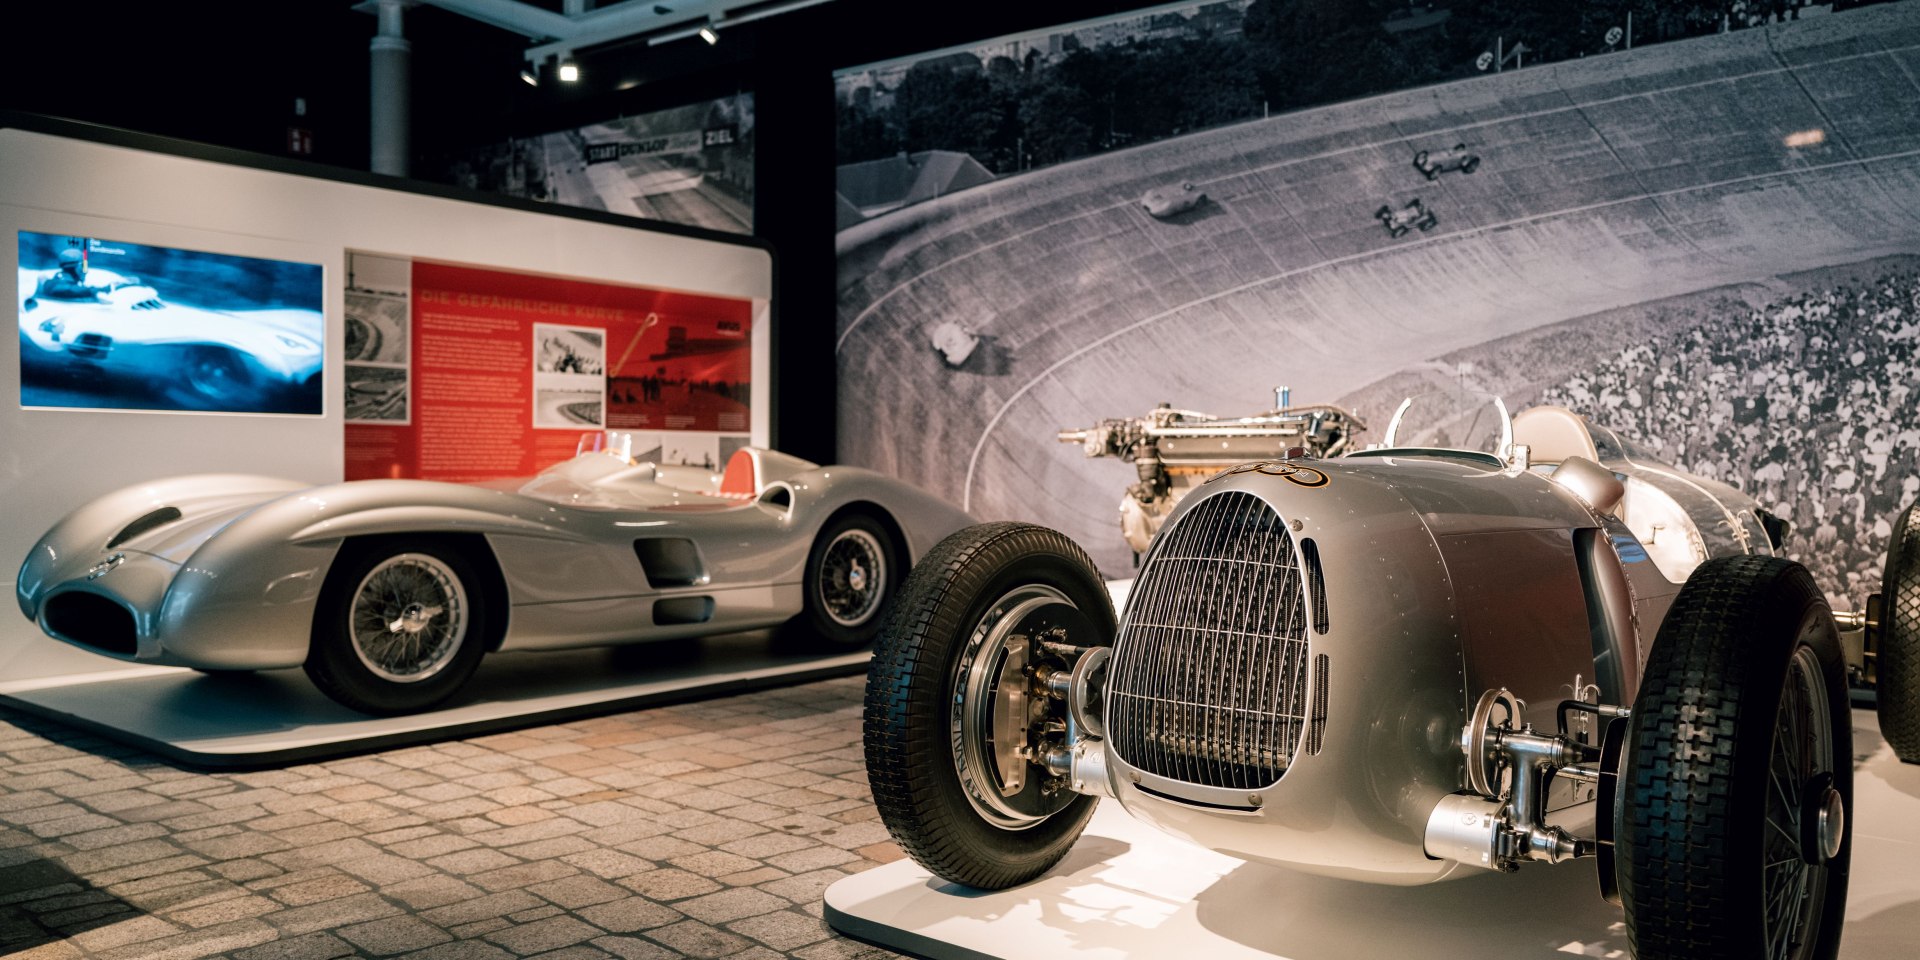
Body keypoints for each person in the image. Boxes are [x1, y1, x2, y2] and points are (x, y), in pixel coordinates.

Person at [34, 248, 135, 301]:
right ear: (77, 267)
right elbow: (70, 290)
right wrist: (109, 288)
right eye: (84, 266)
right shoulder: (57, 286)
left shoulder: (60, 281)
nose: (86, 271)